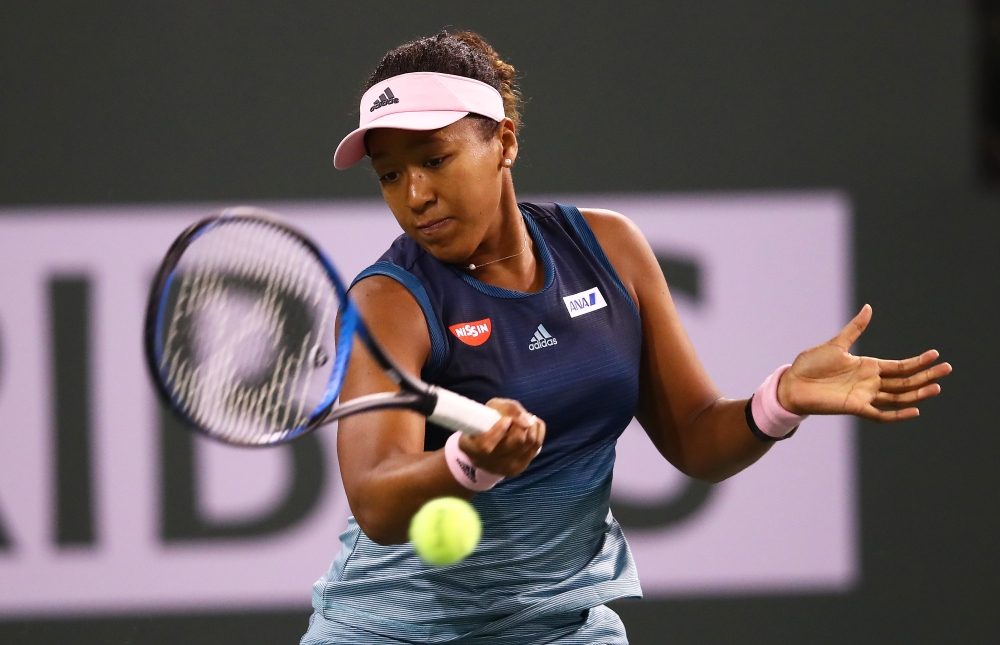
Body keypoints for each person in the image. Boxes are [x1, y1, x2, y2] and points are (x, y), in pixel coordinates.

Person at [301, 31, 951, 645]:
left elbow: (695, 435)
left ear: (504, 141)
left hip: (562, 624)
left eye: (435, 159)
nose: (415, 194)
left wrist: (779, 400)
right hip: (392, 631)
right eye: (389, 175)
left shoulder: (609, 248)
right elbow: (377, 501)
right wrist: (469, 463)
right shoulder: (388, 301)